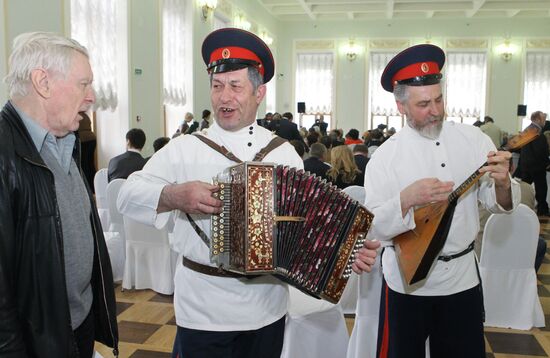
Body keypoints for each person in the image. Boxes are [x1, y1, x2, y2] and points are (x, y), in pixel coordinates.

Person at [117, 28, 380, 358]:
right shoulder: (183, 148)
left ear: (259, 92)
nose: (224, 97)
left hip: (266, 309)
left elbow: (302, 226)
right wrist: (174, 195)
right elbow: (126, 195)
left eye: (235, 86)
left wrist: (344, 250)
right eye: (217, 86)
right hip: (202, 310)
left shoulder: (282, 153)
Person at [365, 44, 520, 358]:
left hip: (462, 280)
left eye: (438, 99)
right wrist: (406, 200)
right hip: (406, 284)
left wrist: (503, 183)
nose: (435, 110)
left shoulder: (474, 140)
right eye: (423, 104)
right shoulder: (384, 158)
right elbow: (371, 227)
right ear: (400, 106)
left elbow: (497, 201)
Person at [0, 31, 118, 357]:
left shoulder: (66, 143)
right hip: (34, 343)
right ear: (43, 82)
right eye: (84, 84)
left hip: (77, 330)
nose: (92, 96)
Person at [515, 111, 550, 216]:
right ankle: (542, 210)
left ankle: (520, 206)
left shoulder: (527, 130)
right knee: (541, 189)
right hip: (537, 166)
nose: (545, 121)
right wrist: (547, 163)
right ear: (538, 119)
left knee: (524, 187)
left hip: (526, 165)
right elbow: (539, 151)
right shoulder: (537, 132)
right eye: (543, 119)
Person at [78, 111, 97, 191]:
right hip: (92, 139)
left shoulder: (76, 115)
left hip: (82, 140)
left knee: (83, 165)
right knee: (90, 164)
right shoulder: (85, 115)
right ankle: (94, 187)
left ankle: (87, 188)